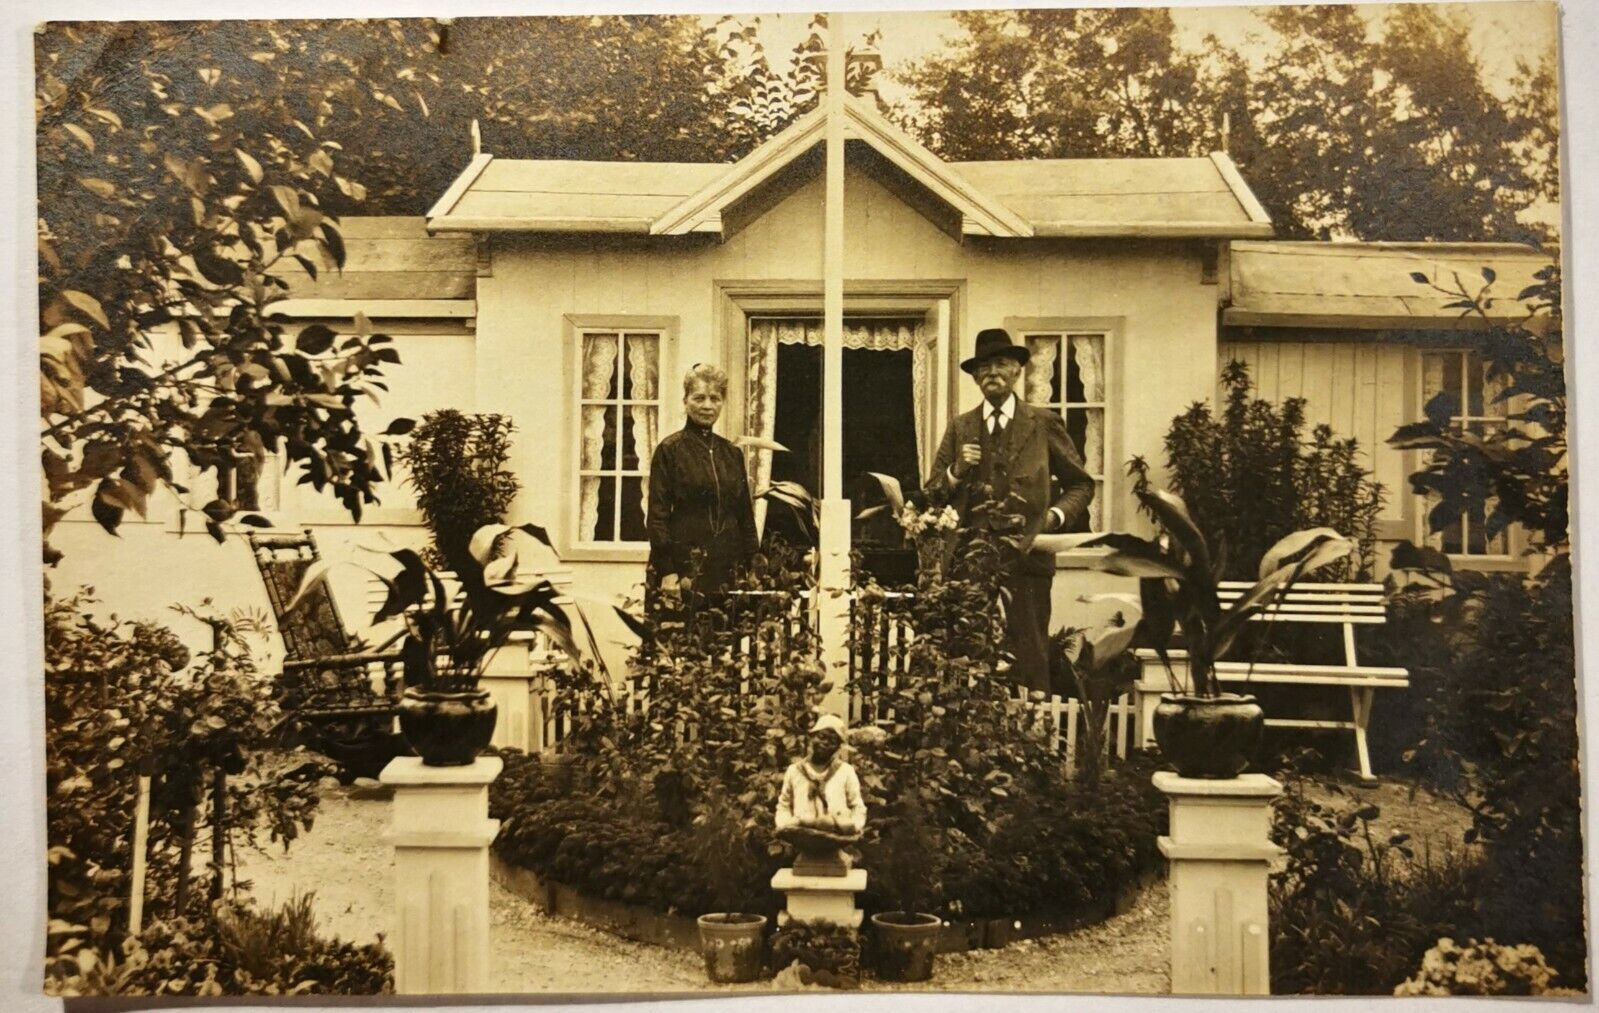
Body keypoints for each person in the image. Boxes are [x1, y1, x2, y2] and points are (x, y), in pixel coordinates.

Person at [925, 327, 1095, 693]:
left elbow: (1081, 484)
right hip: (970, 560)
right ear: (974, 377)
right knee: (967, 655)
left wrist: (1053, 518)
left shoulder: (1043, 423)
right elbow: (933, 493)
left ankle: (1031, 738)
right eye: (983, 367)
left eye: (1001, 363)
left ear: (1018, 370)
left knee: (1030, 654)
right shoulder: (961, 427)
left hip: (1027, 558)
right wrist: (956, 470)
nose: (992, 373)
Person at [646, 363, 758, 603]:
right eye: (699, 398)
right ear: (685, 400)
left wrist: (753, 566)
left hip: (726, 565)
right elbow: (657, 516)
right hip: (682, 567)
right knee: (680, 638)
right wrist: (667, 571)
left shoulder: (731, 453)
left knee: (725, 636)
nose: (707, 406)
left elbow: (744, 514)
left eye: (714, 398)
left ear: (722, 403)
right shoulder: (670, 450)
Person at [775, 713, 866, 836]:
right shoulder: (795, 771)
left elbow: (857, 807)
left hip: (835, 844)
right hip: (802, 842)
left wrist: (853, 827)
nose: (825, 743)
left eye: (833, 740)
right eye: (822, 736)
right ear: (812, 737)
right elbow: (784, 806)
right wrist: (785, 826)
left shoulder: (845, 771)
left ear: (838, 747)